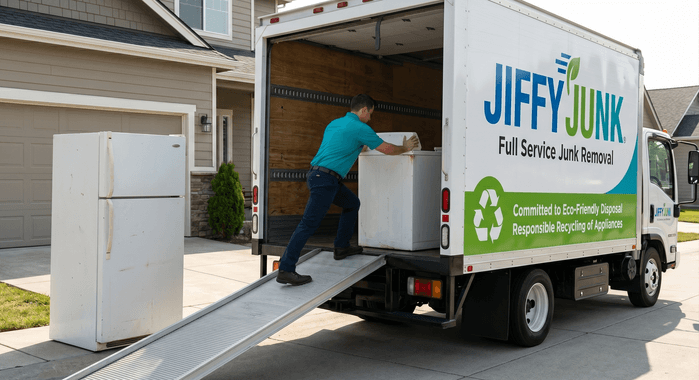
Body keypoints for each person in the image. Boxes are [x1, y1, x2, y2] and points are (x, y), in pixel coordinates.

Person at [277, 94, 420, 286]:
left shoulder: (335, 124)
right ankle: (286, 269)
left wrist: (359, 147)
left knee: (352, 203)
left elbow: (339, 146)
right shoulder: (361, 128)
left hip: (319, 176)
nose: (370, 118)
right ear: (363, 110)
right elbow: (387, 149)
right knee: (308, 224)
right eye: (370, 114)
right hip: (326, 180)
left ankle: (341, 247)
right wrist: (405, 147)